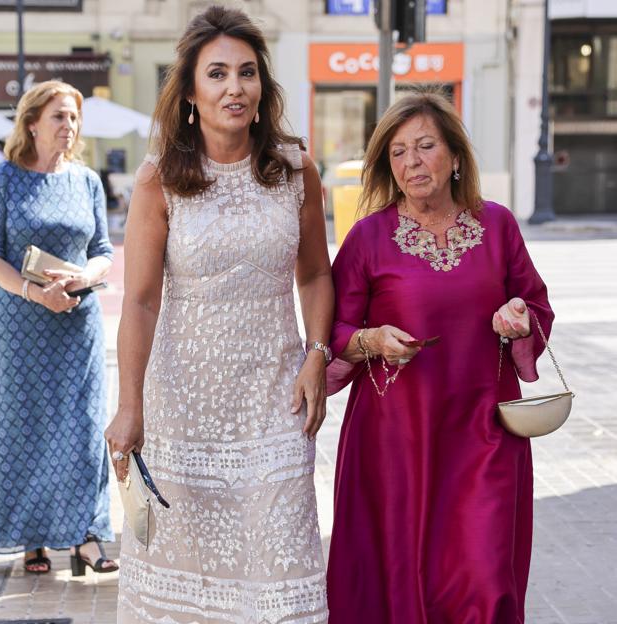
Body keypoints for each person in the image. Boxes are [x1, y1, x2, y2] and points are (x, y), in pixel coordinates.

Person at [104, 6, 333, 623]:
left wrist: (318, 354)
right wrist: (131, 405)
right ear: (190, 93)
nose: (235, 87)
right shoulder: (160, 180)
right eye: (218, 74)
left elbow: (314, 274)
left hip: (275, 399)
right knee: (191, 573)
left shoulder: (294, 169)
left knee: (281, 564)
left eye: (248, 73)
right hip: (184, 407)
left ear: (263, 88)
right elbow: (141, 301)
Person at [325, 89, 554, 623]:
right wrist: (373, 339)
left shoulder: (497, 226)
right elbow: (332, 331)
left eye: (425, 146)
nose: (412, 163)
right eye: (399, 152)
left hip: (486, 430)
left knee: (485, 570)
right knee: (403, 571)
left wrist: (519, 317)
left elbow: (535, 304)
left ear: (454, 155)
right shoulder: (368, 239)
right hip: (396, 438)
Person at [0, 80, 117, 575]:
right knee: (24, 426)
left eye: (73, 118)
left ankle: (86, 536)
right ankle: (33, 538)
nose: (69, 127)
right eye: (59, 118)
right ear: (31, 124)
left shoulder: (86, 180)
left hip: (77, 323)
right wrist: (34, 293)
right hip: (19, 324)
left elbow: (104, 252)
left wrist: (86, 275)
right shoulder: (4, 179)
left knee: (83, 427)